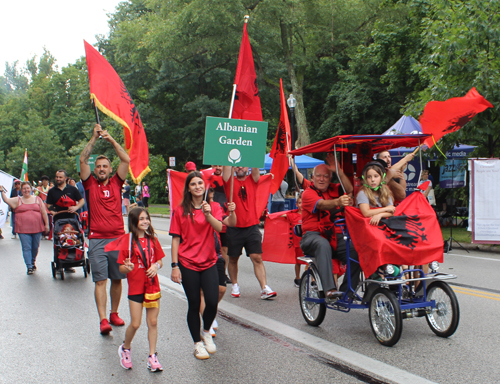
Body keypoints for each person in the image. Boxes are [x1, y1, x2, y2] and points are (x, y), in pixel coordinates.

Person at [169, 172, 236, 360]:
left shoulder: (213, 206)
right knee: (194, 303)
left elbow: (220, 228)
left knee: (213, 301)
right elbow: (175, 239)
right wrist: (174, 265)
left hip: (209, 261)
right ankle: (197, 344)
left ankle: (206, 331)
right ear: (188, 188)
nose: (198, 186)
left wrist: (207, 214)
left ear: (204, 186)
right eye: (193, 184)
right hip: (187, 262)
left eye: (200, 183)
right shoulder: (180, 209)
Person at [79, 123, 130, 335]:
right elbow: (83, 159)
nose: (101, 169)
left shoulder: (117, 182)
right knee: (100, 280)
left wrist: (110, 140)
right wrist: (93, 138)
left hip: (118, 238)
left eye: (104, 166)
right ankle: (102, 320)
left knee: (117, 279)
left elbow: (126, 159)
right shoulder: (89, 184)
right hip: (97, 239)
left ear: (110, 169)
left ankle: (114, 313)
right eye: (98, 166)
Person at [300, 162, 361, 298]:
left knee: (356, 250)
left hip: (334, 235)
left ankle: (347, 292)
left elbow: (349, 189)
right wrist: (338, 202)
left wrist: (339, 170)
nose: (322, 179)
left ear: (330, 179)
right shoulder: (307, 193)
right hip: (312, 236)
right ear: (312, 178)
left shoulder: (334, 189)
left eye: (326, 176)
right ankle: (330, 290)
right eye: (319, 176)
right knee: (322, 244)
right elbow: (321, 204)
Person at [117, 208, 165, 372]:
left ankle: (152, 356)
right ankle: (125, 348)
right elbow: (121, 269)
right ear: (134, 222)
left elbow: (160, 261)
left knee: (153, 322)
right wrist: (127, 267)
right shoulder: (127, 241)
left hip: (152, 286)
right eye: (141, 219)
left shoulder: (153, 240)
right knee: (136, 323)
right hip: (136, 287)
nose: (145, 221)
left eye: (147, 218)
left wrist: (155, 265)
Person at [222, 166, 277, 300]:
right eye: (238, 165)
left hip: (252, 226)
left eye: (244, 164)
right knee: (233, 258)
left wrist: (252, 149)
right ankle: (235, 285)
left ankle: (264, 287)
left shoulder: (253, 180)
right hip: (234, 227)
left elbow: (255, 161)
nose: (241, 167)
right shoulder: (229, 182)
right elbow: (227, 165)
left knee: (257, 257)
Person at [0, 181, 49, 274]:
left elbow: (44, 212)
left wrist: (47, 225)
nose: (26, 190)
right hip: (23, 229)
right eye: (24, 188)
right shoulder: (17, 200)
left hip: (37, 228)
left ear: (31, 189)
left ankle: (33, 261)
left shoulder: (37, 199)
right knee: (26, 248)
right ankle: (29, 266)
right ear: (21, 190)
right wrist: (1, 191)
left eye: (28, 188)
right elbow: (6, 200)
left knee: (35, 247)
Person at [209, 165, 231, 284]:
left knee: (225, 248)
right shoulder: (206, 178)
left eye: (220, 166)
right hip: (209, 218)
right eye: (215, 165)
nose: (218, 168)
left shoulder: (227, 179)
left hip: (223, 217)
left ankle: (223, 272)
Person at [279, 195, 304, 287]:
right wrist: (270, 216)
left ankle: (312, 280)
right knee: (298, 262)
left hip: (309, 242)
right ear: (296, 204)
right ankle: (297, 278)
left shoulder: (310, 215)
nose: (302, 205)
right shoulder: (293, 215)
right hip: (298, 243)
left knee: (311, 261)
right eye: (300, 203)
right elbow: (282, 215)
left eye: (304, 203)